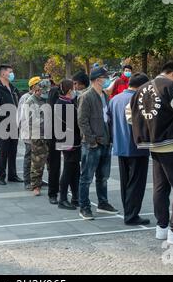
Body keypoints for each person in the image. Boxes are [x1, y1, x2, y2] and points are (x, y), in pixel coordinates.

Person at [128, 61, 173, 245]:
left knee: (161, 187)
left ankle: (162, 227)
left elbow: (129, 114)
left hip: (153, 145)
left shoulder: (141, 89)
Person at [77, 67, 119, 220]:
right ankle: (84, 207)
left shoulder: (105, 95)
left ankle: (103, 203)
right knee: (86, 177)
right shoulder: (86, 96)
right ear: (96, 79)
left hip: (106, 142)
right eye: (104, 77)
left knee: (103, 176)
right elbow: (82, 120)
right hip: (92, 144)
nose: (107, 79)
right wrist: (91, 140)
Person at [109, 73, 150, 226]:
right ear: (142, 86)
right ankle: (132, 214)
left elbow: (109, 121)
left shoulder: (115, 99)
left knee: (125, 181)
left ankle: (128, 211)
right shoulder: (140, 99)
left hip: (120, 145)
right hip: (137, 146)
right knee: (136, 182)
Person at [0, 64, 23, 186]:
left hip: (14, 124)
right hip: (3, 124)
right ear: (3, 73)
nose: (12, 74)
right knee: (3, 151)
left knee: (13, 150)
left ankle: (12, 175)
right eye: (10, 71)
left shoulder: (13, 88)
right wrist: (4, 112)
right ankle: (1, 176)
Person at [56, 79, 81, 210]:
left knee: (75, 169)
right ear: (69, 90)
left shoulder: (66, 101)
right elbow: (75, 123)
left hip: (71, 140)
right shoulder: (64, 103)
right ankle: (63, 199)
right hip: (68, 141)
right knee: (68, 170)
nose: (75, 89)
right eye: (73, 87)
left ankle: (76, 197)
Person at [26, 77, 51, 196]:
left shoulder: (46, 98)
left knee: (51, 161)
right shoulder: (30, 101)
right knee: (37, 162)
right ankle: (35, 185)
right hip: (37, 134)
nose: (44, 94)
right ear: (37, 89)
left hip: (49, 134)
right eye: (42, 91)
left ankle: (53, 182)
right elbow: (31, 120)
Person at [19, 77, 37, 191]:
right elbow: (22, 116)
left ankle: (35, 179)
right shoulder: (26, 98)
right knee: (29, 155)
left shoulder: (40, 97)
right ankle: (27, 180)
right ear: (33, 86)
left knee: (37, 157)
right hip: (28, 131)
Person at [47, 76, 62, 204]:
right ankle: (53, 192)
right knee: (54, 165)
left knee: (55, 165)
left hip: (60, 136)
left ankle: (55, 191)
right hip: (54, 136)